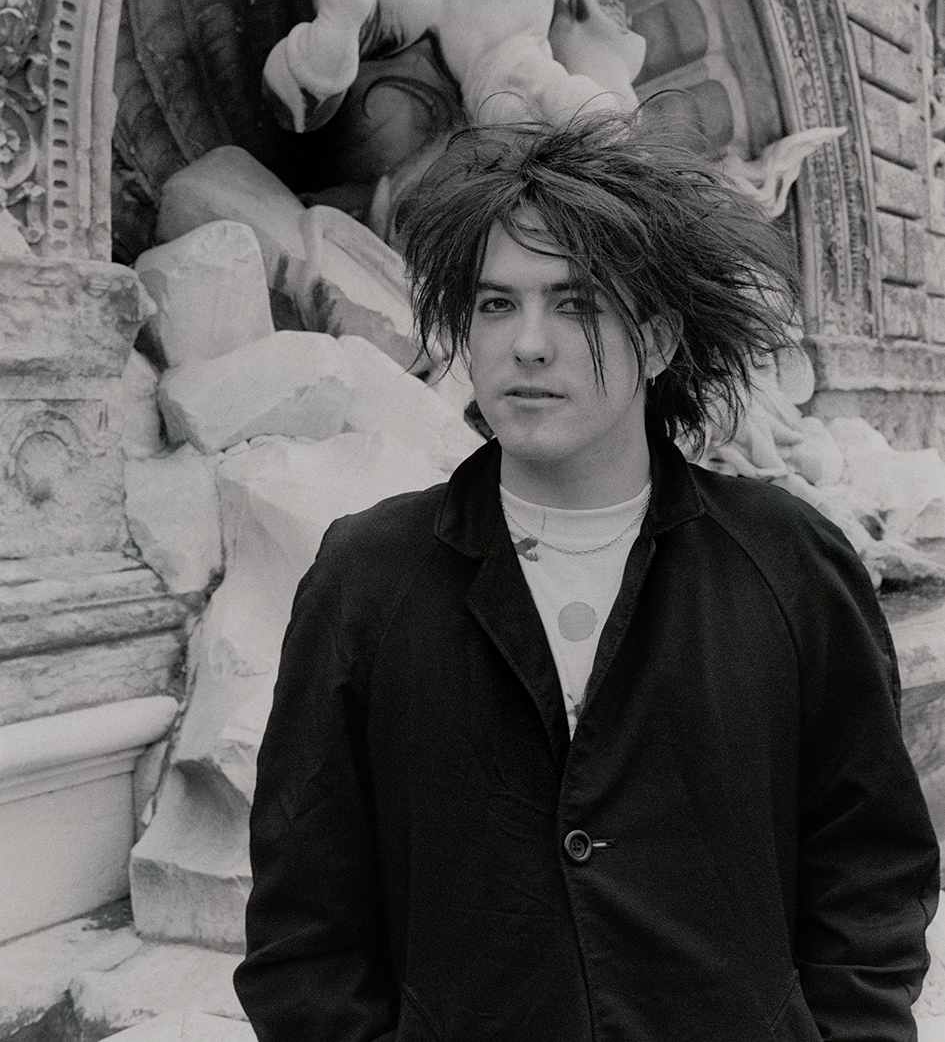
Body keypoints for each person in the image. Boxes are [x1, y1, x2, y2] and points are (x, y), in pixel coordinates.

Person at [234, 113, 940, 1042]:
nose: (527, 343)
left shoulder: (788, 562)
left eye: (575, 303)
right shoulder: (368, 577)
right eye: (496, 304)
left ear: (654, 342)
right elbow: (303, 923)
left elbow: (868, 869)